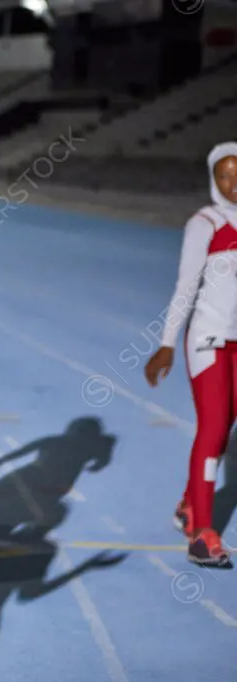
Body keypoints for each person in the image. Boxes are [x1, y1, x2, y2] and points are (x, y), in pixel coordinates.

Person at [144, 141, 237, 569]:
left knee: (227, 425)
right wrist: (166, 344)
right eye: (225, 174)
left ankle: (188, 504)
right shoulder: (206, 222)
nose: (233, 182)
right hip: (209, 340)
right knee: (214, 428)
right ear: (213, 179)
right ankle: (202, 532)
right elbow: (185, 287)